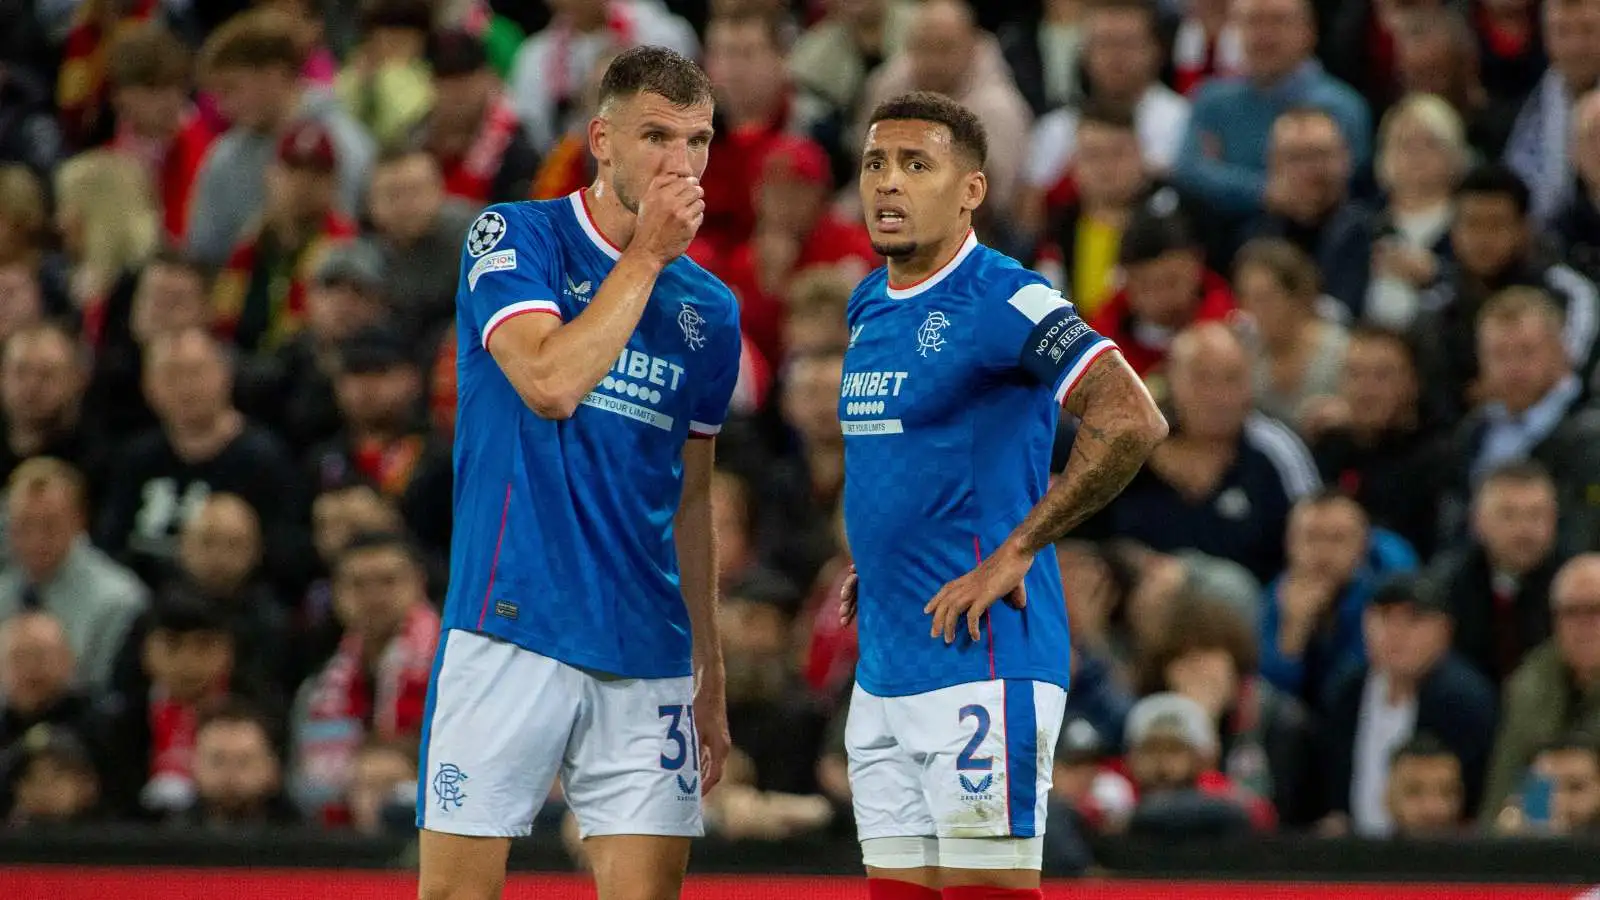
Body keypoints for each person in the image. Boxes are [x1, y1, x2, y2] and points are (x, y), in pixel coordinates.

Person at [415, 46, 741, 900]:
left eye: (699, 141)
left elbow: (694, 496)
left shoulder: (711, 311)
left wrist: (710, 676)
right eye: (658, 137)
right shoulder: (515, 237)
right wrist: (645, 259)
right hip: (510, 627)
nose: (682, 163)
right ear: (603, 139)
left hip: (648, 647)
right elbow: (551, 383)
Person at [836, 91, 1167, 900]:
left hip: (982, 661)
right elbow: (909, 458)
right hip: (884, 662)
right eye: (877, 162)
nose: (889, 183)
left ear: (971, 190)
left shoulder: (1004, 296)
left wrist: (1019, 547)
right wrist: (882, 556)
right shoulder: (869, 302)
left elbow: (1132, 418)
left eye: (917, 165)